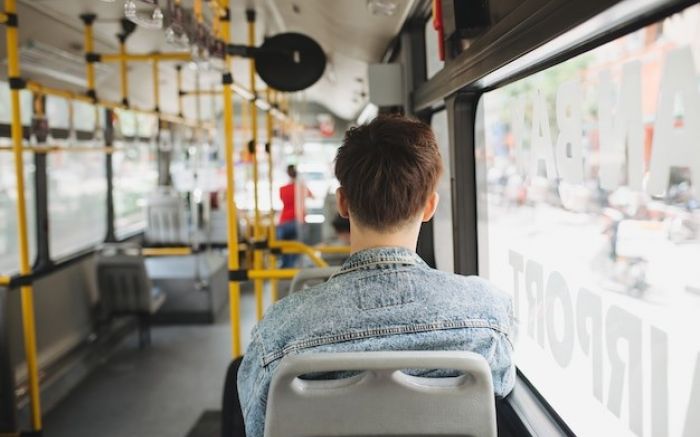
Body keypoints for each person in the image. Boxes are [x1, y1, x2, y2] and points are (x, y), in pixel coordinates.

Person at [225, 115, 515, 437]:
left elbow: (258, 427)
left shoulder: (279, 333)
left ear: (343, 203)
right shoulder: (488, 316)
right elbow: (499, 397)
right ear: (430, 206)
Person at [277, 164, 311, 268]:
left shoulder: (283, 189)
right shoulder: (301, 188)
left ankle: (285, 267)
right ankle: (291, 267)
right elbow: (311, 195)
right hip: (297, 221)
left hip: (284, 222)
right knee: (296, 247)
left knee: (285, 248)